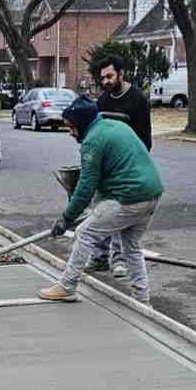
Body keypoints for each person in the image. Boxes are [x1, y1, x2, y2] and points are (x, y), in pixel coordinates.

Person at [38, 95, 163, 306]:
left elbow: (86, 188)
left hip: (128, 197)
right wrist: (82, 212)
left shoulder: (92, 141)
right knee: (131, 246)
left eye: (72, 127)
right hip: (151, 195)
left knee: (84, 233)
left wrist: (66, 219)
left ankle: (67, 286)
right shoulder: (114, 126)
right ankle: (143, 301)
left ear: (82, 124)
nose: (70, 132)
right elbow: (102, 184)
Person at [89, 56, 153, 278]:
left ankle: (119, 260)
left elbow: (145, 140)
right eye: (102, 78)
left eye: (109, 76)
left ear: (121, 74)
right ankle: (98, 257)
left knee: (119, 215)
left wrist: (133, 165)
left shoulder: (137, 101)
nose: (105, 82)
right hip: (106, 166)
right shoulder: (103, 100)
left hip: (126, 168)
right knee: (99, 210)